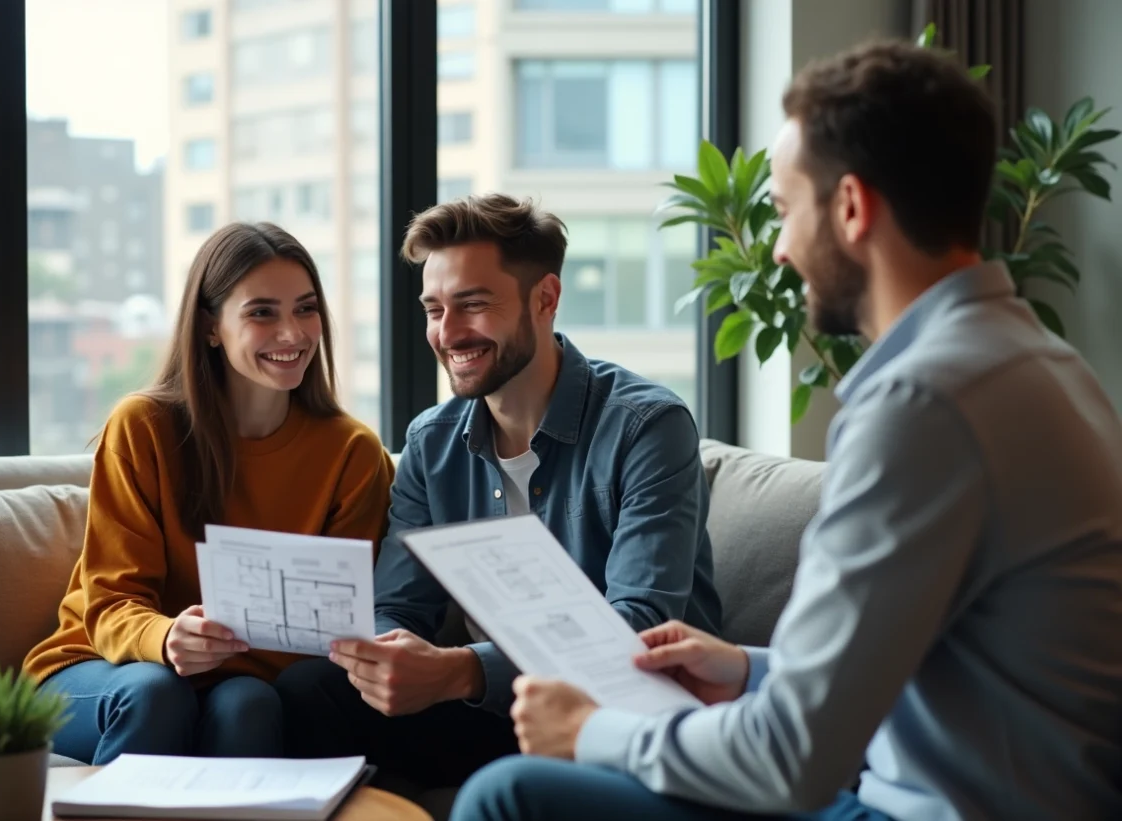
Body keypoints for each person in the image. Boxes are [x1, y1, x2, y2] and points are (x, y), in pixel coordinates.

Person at [450, 39, 1122, 821]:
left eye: (782, 209)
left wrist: (595, 730)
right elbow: (929, 666)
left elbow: (793, 759)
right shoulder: (1046, 364)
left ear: (849, 208)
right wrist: (748, 670)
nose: (779, 247)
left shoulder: (923, 404)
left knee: (510, 795)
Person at [275, 193, 723, 787]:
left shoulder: (647, 427)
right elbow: (400, 605)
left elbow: (636, 626)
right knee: (308, 692)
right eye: (433, 309)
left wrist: (461, 672)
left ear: (546, 299)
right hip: (505, 709)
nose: (447, 332)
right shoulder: (432, 443)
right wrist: (391, 656)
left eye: (473, 305)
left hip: (627, 713)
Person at [23, 222, 395, 765]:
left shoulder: (354, 453)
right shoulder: (144, 427)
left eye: (306, 308)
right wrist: (169, 637)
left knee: (251, 707)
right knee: (156, 694)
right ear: (211, 327)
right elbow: (109, 605)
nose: (292, 333)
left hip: (239, 680)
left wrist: (223, 658)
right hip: (101, 666)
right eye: (262, 312)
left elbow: (333, 632)